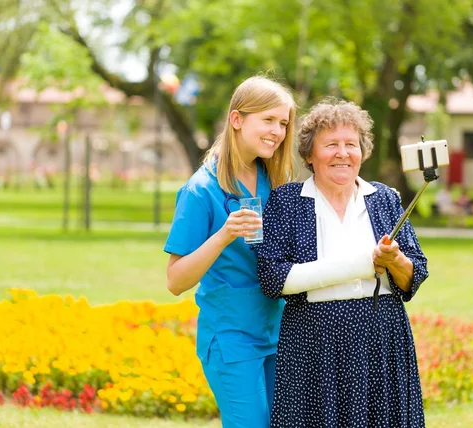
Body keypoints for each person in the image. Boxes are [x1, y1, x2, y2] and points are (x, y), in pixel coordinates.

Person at [256, 99, 429, 427]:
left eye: (351, 144)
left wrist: (395, 261)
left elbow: (414, 276)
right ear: (309, 155)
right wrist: (361, 264)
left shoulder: (385, 199)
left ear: (362, 153)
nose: (342, 153)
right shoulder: (287, 201)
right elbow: (272, 277)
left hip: (382, 341)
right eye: (331, 144)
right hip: (313, 345)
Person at [164, 75, 296, 428]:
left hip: (277, 330)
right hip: (232, 340)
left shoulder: (274, 179)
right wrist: (223, 235)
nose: (277, 131)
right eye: (268, 120)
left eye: (282, 123)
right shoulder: (199, 191)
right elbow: (175, 281)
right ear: (237, 120)